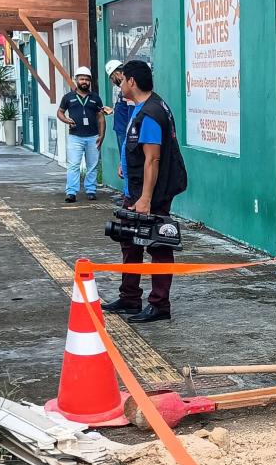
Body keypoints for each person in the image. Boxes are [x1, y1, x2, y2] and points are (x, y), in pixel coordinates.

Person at [102, 59, 187, 324]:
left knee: (158, 244)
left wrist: (146, 199)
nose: (120, 83)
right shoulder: (144, 107)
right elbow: (139, 150)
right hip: (137, 188)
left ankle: (159, 304)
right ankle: (129, 297)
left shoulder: (150, 113)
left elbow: (153, 159)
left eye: (123, 79)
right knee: (129, 241)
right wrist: (125, 164)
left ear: (132, 82)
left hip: (150, 194)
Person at [58, 66, 104, 202]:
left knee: (92, 165)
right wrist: (66, 120)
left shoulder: (96, 98)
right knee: (73, 165)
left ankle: (91, 190)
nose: (84, 81)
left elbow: (101, 118)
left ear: (90, 81)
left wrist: (102, 135)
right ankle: (71, 192)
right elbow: (60, 112)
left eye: (87, 79)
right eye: (81, 79)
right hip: (75, 137)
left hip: (93, 136)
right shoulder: (68, 97)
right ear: (76, 80)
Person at [104, 59, 131, 198]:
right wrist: (113, 111)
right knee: (124, 161)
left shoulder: (128, 89)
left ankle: (129, 195)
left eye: (112, 77)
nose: (112, 80)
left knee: (127, 162)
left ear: (117, 73)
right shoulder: (122, 90)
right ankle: (127, 193)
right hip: (121, 130)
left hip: (126, 132)